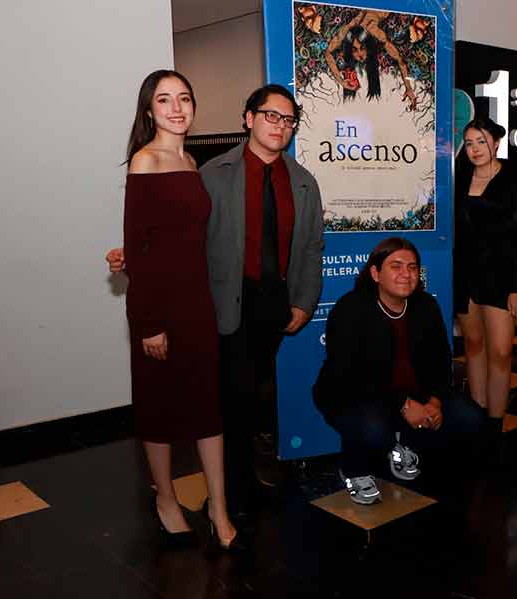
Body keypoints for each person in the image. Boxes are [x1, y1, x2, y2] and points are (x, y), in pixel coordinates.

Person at [107, 84, 325, 517]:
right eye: (270, 115)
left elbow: (312, 246)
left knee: (254, 398)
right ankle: (229, 495)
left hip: (275, 305)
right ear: (248, 119)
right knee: (229, 401)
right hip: (224, 303)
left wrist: (304, 300)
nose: (279, 125)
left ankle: (237, 486)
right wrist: (132, 255)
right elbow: (180, 233)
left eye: (288, 119)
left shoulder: (303, 181)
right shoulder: (210, 172)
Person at [120, 69, 238, 548]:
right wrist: (150, 322)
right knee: (160, 410)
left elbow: (177, 238)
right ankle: (166, 500)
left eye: (184, 98)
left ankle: (219, 506)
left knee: (208, 409)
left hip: (197, 303)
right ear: (149, 110)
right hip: (159, 307)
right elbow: (139, 245)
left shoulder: (191, 160)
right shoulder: (144, 162)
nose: (176, 108)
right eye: (164, 100)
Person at [313, 238, 485, 504]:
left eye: (413, 267)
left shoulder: (426, 306)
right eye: (396, 266)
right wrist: (403, 405)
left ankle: (401, 446)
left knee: (470, 416)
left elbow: (440, 360)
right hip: (355, 395)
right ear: (375, 273)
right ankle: (353, 468)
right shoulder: (351, 309)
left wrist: (435, 401)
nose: (406, 274)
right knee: (374, 428)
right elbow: (350, 376)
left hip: (413, 393)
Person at [454, 116, 517, 442]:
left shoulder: (514, 180)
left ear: (496, 143)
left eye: (481, 141)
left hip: (500, 277)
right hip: (465, 274)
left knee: (500, 351)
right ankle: (476, 413)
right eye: (469, 143)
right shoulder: (458, 179)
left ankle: (496, 423)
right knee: (473, 345)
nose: (474, 149)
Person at [325, 9, 417, 110]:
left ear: (368, 46)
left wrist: (409, 88)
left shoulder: (372, 30)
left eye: (362, 48)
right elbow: (328, 53)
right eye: (355, 50)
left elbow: (400, 61)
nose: (360, 55)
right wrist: (341, 81)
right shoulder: (347, 31)